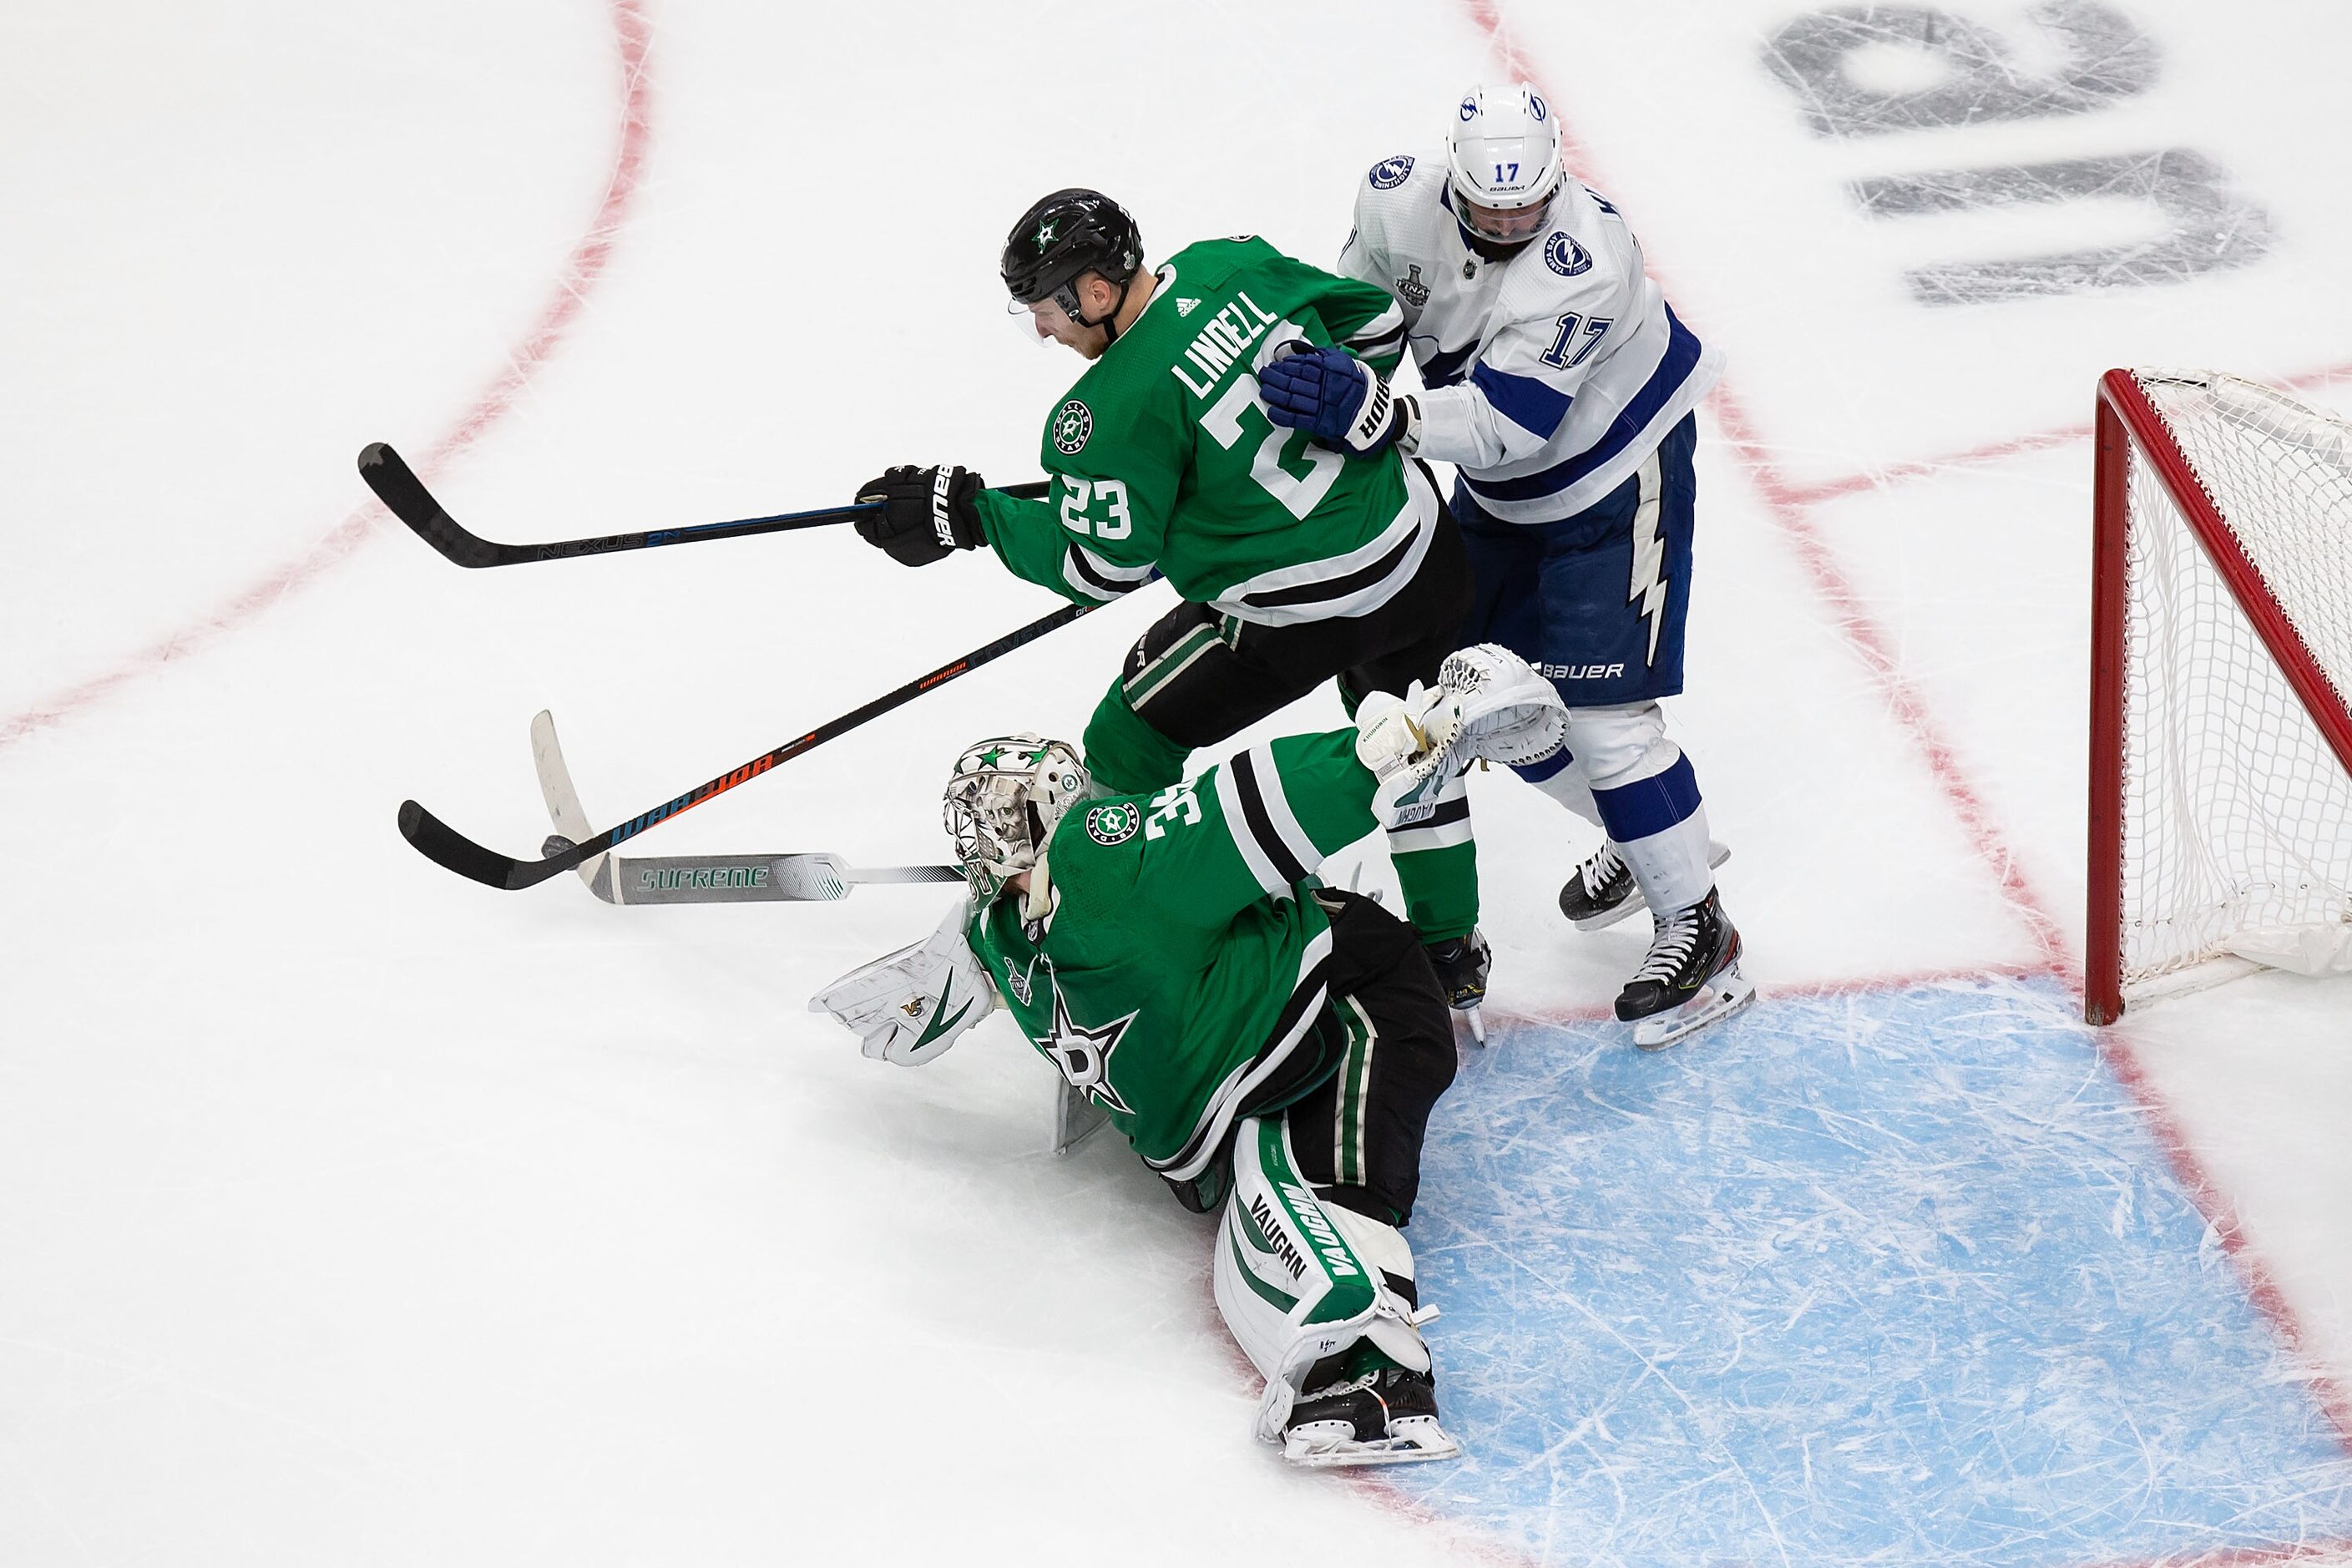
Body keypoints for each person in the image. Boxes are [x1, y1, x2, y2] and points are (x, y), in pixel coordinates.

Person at [810, 645, 1570, 1464]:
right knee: (1260, 1204)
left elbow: (1239, 807)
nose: (979, 832)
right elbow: (980, 970)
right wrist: (934, 982)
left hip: (1349, 999)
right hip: (1248, 1055)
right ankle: (1354, 1361)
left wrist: (1396, 739)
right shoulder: (997, 935)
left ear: (1053, 816)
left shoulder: (1111, 858)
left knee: (1324, 1188)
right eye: (974, 814)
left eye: (1000, 810)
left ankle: (1384, 1383)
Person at [847, 189, 1495, 1029]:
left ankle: (1103, 925)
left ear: (1092, 290)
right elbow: (1371, 323)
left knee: (1131, 732)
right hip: (1422, 554)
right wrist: (1339, 401)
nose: (1044, 331)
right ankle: (1451, 951)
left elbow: (1099, 565)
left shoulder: (1101, 415)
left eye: (1046, 309)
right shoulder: (1231, 262)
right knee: (1411, 735)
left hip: (1306, 612)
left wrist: (970, 517)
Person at [1250, 84, 1752, 1050]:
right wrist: (1317, 379)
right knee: (1474, 699)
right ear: (1452, 182)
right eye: (1489, 209)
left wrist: (1377, 420)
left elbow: (1509, 426)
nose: (1510, 224)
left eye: (1527, 207)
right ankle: (1641, 840)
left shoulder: (1586, 262)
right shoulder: (1396, 202)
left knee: (1607, 724)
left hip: (1615, 474)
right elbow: (1361, 322)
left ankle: (1700, 924)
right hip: (1504, 492)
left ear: (1559, 177)